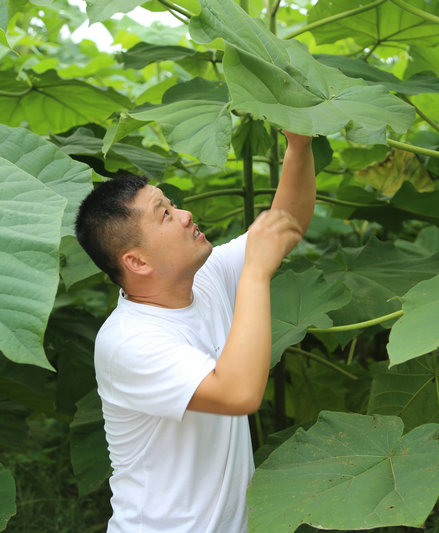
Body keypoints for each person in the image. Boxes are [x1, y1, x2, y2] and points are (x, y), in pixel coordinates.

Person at [74, 131, 315, 532]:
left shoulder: (202, 279)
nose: (185, 214)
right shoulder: (128, 342)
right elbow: (238, 393)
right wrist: (256, 271)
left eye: (172, 204)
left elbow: (285, 225)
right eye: (164, 214)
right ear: (136, 261)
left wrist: (299, 145)